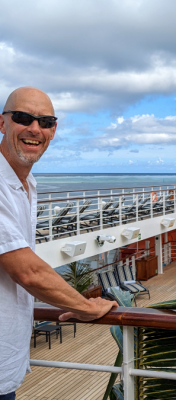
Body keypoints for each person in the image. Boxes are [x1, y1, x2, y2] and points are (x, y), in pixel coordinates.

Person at [0, 87, 118, 399]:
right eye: (23, 118)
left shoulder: (25, 183)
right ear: (2, 124)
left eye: (46, 121)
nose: (34, 129)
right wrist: (86, 307)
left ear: (53, 130)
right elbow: (26, 271)